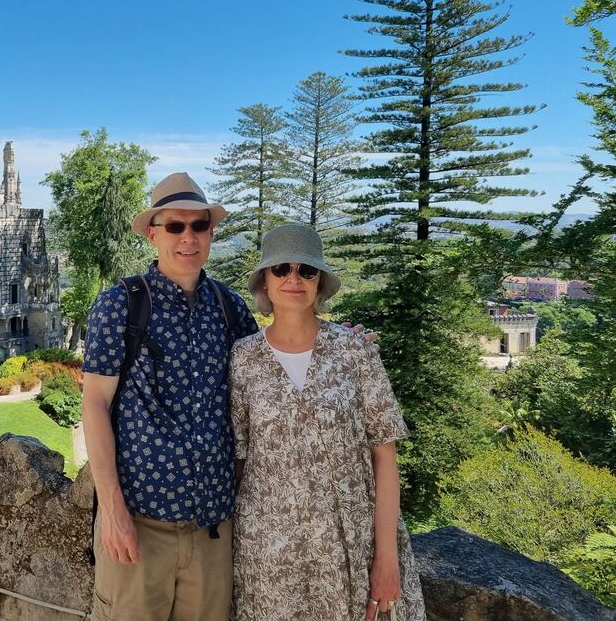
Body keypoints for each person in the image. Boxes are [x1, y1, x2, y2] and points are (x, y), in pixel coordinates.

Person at [82, 172, 260, 621]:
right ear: (152, 233)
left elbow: (270, 373)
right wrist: (113, 512)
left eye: (198, 226)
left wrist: (338, 342)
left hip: (211, 533)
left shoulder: (229, 308)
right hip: (140, 527)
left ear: (211, 233)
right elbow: (95, 405)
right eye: (175, 227)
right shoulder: (121, 305)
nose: (188, 238)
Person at [229, 223, 425, 621]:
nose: (294, 279)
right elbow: (239, 462)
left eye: (307, 270)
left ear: (321, 282)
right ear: (264, 281)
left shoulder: (355, 351)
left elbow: (385, 459)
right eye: (281, 268)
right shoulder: (242, 359)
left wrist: (386, 559)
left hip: (351, 544)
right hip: (268, 556)